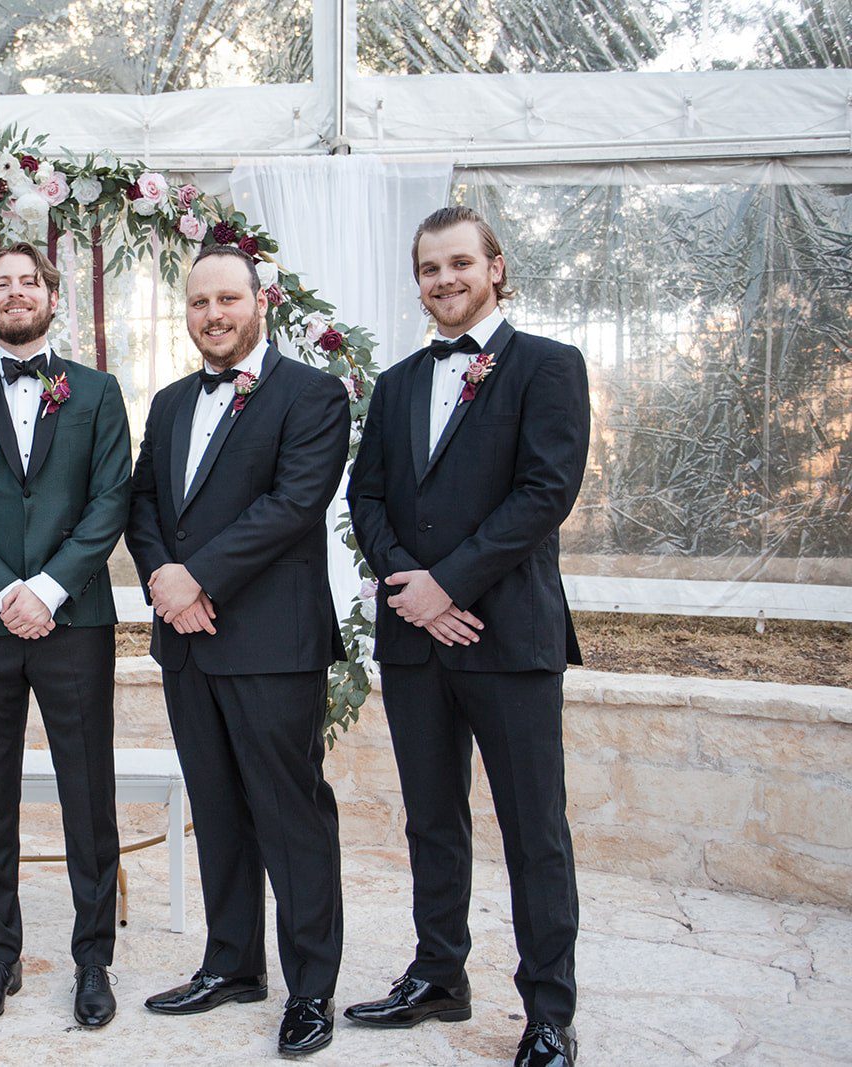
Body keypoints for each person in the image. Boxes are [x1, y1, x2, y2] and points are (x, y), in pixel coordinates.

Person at [344, 205, 589, 1067]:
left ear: (495, 267)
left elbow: (544, 491)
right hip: (416, 640)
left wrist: (451, 583)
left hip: (509, 636)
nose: (442, 280)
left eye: (457, 263)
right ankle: (438, 974)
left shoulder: (550, 367)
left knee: (534, 830)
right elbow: (365, 496)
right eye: (427, 268)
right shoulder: (397, 382)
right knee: (432, 821)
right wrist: (412, 587)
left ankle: (549, 1013)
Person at [126, 244, 350, 1056]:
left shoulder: (314, 395)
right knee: (217, 810)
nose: (213, 315)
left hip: (271, 644)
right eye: (198, 303)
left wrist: (199, 578)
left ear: (263, 301)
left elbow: (294, 503)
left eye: (227, 299)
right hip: (187, 642)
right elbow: (143, 500)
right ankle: (231, 964)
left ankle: (312, 988)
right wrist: (162, 579)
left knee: (290, 815)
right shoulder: (172, 400)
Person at [0, 241, 132, 1028]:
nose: (15, 294)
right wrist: (5, 591)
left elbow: (111, 500)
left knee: (89, 793)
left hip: (74, 619)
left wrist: (46, 588)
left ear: (53, 295)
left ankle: (92, 957)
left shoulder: (99, 391)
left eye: (28, 282)